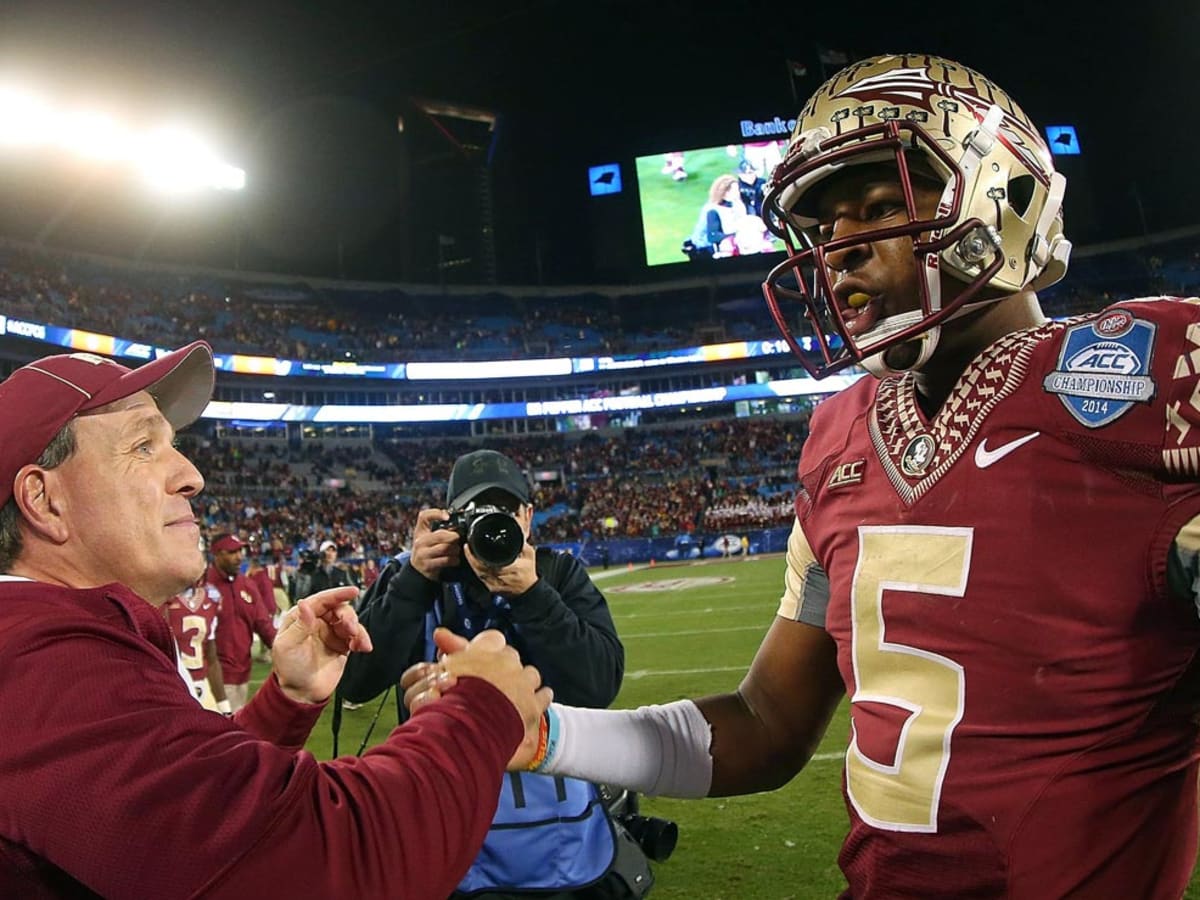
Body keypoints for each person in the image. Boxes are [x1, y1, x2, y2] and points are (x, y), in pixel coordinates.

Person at [408, 54, 1200, 898]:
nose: (841, 252)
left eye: (881, 204)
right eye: (824, 229)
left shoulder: (1155, 374)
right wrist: (546, 733)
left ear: (1003, 197)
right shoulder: (839, 435)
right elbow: (767, 724)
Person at [0, 342, 552, 899]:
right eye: (143, 445)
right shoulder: (36, 662)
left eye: (175, 446)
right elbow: (327, 864)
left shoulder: (43, 648)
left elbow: (191, 829)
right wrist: (483, 704)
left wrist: (284, 700)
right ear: (44, 502)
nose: (192, 476)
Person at [341, 448, 631, 899]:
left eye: (506, 511)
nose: (493, 526)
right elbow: (355, 682)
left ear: (528, 517)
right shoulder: (414, 575)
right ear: (450, 521)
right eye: (476, 513)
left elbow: (599, 685)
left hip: (559, 834)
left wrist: (533, 597)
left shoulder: (556, 574)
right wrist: (415, 582)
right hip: (448, 833)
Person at [208, 531, 277, 710]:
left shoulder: (248, 586)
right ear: (216, 554)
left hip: (243, 673)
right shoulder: (203, 586)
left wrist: (282, 650)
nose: (239, 557)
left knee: (235, 727)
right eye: (232, 552)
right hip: (213, 676)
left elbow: (263, 625)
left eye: (240, 551)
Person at [162, 570, 229, 712]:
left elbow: (211, 659)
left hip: (202, 686)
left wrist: (224, 706)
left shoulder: (210, 600)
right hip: (174, 688)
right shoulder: (164, 602)